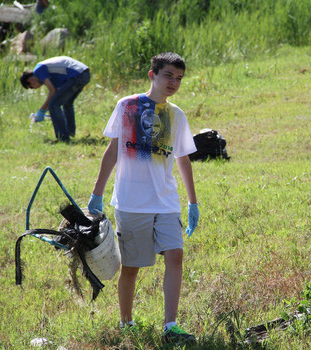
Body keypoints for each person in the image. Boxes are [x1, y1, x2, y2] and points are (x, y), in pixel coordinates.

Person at [87, 52, 199, 345]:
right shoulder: (127, 106)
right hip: (131, 202)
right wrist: (97, 193)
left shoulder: (176, 115)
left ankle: (170, 326)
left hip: (165, 202)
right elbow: (112, 151)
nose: (174, 82)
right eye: (168, 76)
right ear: (153, 75)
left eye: (179, 78)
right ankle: (126, 323)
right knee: (132, 267)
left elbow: (183, 159)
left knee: (175, 256)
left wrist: (193, 201)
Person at [20, 56, 90, 142]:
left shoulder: (38, 70)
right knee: (67, 103)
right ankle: (70, 132)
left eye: (32, 87)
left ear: (30, 80)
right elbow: (56, 93)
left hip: (77, 75)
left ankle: (63, 137)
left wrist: (41, 111)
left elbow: (52, 91)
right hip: (84, 74)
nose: (35, 88)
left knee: (54, 105)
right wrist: (48, 111)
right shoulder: (48, 75)